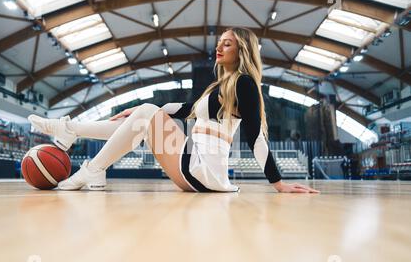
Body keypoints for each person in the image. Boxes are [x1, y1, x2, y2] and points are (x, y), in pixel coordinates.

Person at [28, 27, 319, 194]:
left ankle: (89, 167)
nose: (219, 46)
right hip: (195, 167)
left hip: (203, 169)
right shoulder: (222, 86)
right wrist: (135, 110)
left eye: (227, 43)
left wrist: (278, 183)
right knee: (142, 115)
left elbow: (256, 136)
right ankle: (70, 131)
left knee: (145, 114)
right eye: (219, 42)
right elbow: (186, 109)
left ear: (241, 50)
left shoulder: (244, 83)